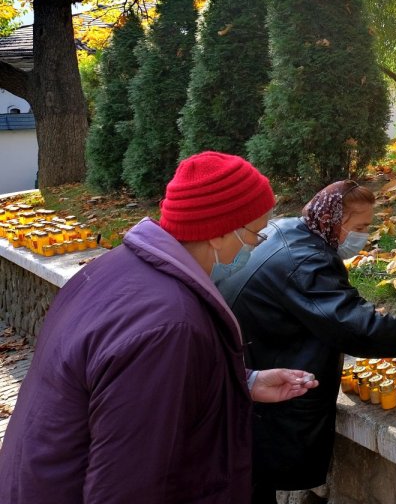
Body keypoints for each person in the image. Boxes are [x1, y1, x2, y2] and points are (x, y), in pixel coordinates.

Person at [0, 152, 318, 504]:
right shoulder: (170, 326)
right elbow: (130, 485)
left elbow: (123, 380)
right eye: (255, 235)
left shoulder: (120, 268)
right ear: (217, 233)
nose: (256, 248)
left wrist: (242, 382)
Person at [218, 180, 396, 504]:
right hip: (264, 389)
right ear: (334, 221)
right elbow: (358, 328)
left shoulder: (293, 229)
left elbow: (334, 304)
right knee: (252, 487)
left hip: (253, 362)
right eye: (360, 227)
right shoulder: (306, 261)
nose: (364, 237)